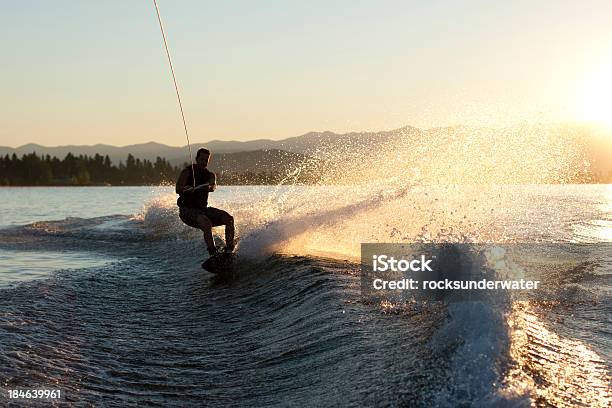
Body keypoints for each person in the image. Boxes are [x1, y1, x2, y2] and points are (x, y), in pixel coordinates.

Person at [176, 148, 234, 256]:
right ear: (197, 159)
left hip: (202, 210)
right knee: (206, 222)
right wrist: (187, 188)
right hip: (187, 211)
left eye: (206, 160)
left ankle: (229, 250)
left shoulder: (210, 175)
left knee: (229, 219)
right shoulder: (187, 172)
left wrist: (206, 187)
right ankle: (213, 252)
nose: (203, 162)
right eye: (201, 159)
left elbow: (212, 186)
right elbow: (178, 189)